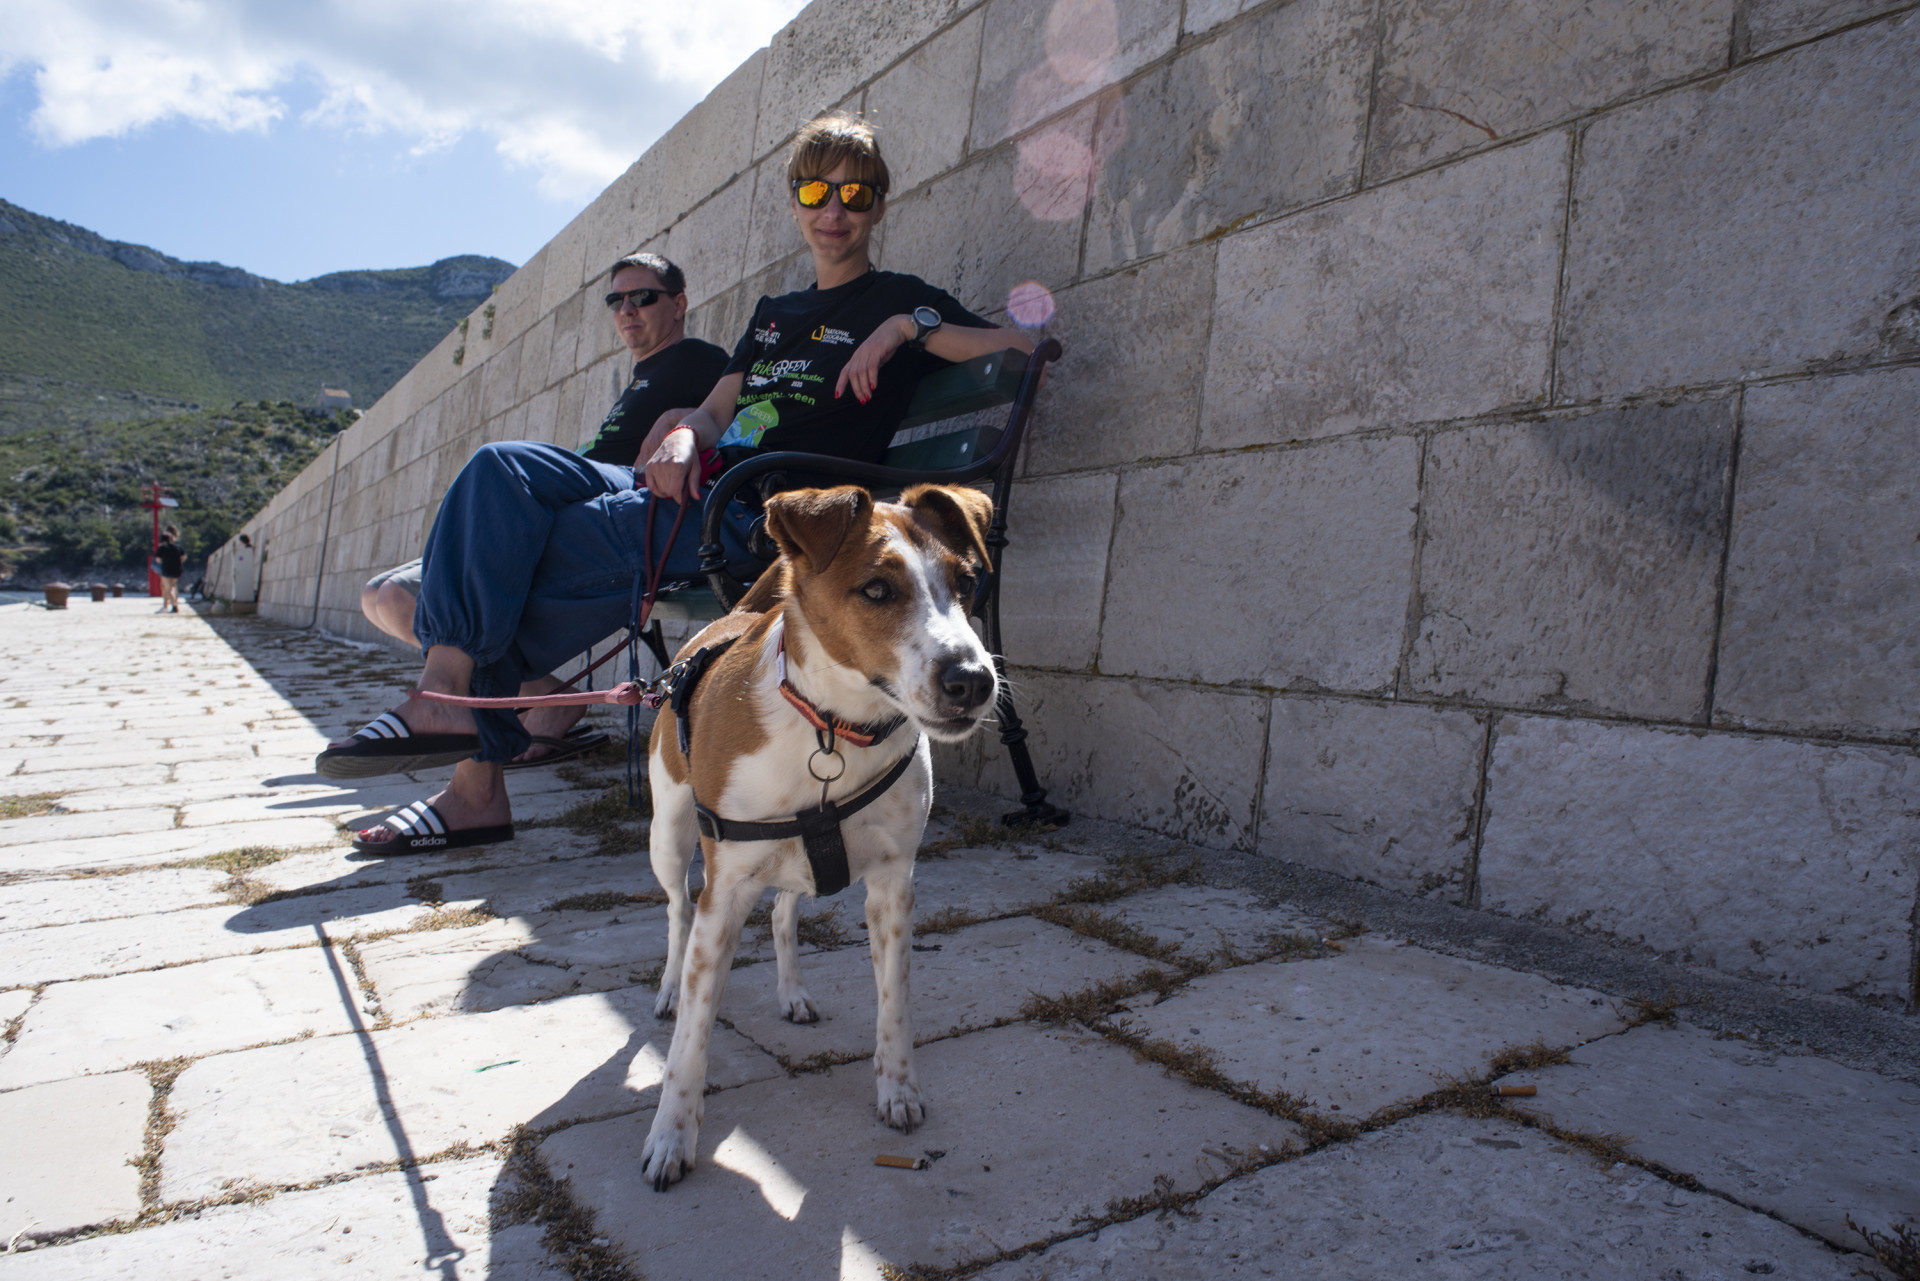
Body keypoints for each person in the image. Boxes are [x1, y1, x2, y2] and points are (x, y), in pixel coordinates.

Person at [324, 112, 1033, 853]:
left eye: (854, 194)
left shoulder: (898, 298)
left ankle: (468, 775)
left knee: (510, 563)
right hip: (699, 480)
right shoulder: (774, 314)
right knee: (500, 468)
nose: (834, 210)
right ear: (795, 201)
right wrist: (687, 434)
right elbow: (716, 409)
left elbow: (1022, 347)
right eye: (815, 191)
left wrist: (906, 329)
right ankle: (448, 696)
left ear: (879, 204)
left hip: (753, 513)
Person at [355, 252, 728, 764]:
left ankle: (469, 707)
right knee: (380, 595)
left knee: (485, 485)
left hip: (614, 504)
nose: (627, 309)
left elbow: (732, 416)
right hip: (578, 497)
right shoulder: (642, 375)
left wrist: (682, 419)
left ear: (679, 304)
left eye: (643, 297)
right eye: (616, 300)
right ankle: (541, 698)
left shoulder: (698, 359)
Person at [155, 525, 185, 613]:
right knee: (173, 587)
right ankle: (173, 604)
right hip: (177, 570)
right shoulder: (178, 546)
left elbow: (158, 560)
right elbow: (183, 557)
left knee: (167, 588)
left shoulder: (162, 547)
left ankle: (173, 606)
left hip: (166, 570)